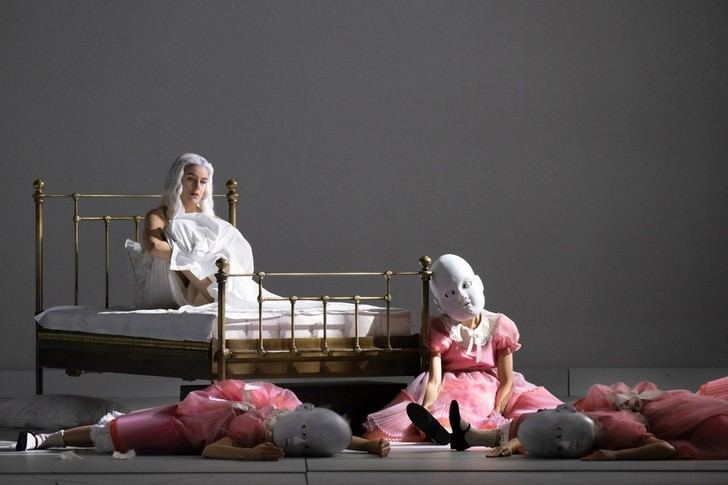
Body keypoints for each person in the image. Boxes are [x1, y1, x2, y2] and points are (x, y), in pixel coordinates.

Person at [363, 254, 562, 446]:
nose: (462, 297)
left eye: (466, 285)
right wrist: (427, 407)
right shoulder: (440, 329)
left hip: (491, 384)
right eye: (449, 294)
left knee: (535, 411)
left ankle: (471, 430)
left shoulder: (500, 325)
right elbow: (434, 380)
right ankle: (441, 429)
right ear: (439, 304)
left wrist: (498, 409)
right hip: (452, 383)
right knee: (452, 409)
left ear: (479, 283)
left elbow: (507, 380)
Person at [15, 379, 390, 460]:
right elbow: (213, 451)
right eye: (303, 431)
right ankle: (49, 439)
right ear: (303, 410)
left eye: (305, 447)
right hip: (182, 423)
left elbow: (331, 436)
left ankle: (50, 439)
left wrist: (368, 446)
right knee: (114, 430)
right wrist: (250, 455)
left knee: (120, 431)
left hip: (185, 431)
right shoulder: (266, 420)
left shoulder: (270, 434)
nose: (297, 441)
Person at [483, 376, 728, 460]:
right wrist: (513, 445)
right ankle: (479, 437)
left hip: (678, 415)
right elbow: (544, 434)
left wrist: (615, 456)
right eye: (560, 450)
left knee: (716, 423)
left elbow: (666, 448)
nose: (567, 444)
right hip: (663, 414)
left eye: (560, 435)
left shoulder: (618, 428)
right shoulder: (584, 424)